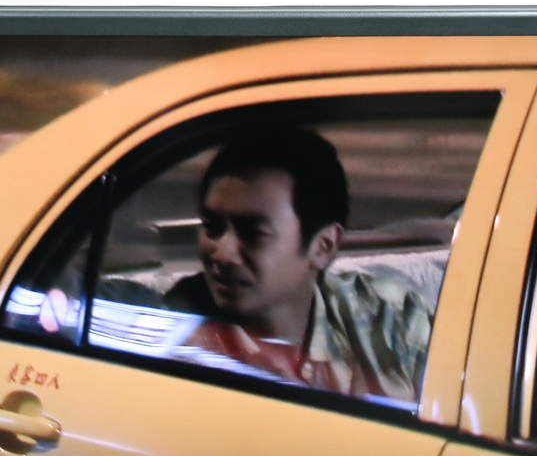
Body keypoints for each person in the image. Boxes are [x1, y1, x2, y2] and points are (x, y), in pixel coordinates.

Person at [163, 125, 433, 404]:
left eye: (253, 233)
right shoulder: (176, 337)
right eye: (212, 227)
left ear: (323, 246)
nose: (222, 254)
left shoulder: (389, 317)